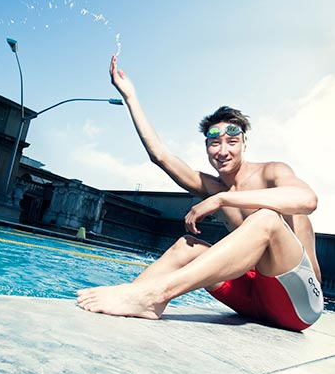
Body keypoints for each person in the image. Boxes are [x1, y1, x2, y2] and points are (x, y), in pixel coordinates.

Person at [76, 55, 324, 331]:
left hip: (299, 303)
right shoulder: (212, 185)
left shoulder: (272, 173)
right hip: (253, 299)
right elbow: (159, 155)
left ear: (244, 144)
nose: (223, 151)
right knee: (186, 246)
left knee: (266, 219)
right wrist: (131, 97)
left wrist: (222, 199)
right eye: (214, 143)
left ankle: (157, 294)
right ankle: (132, 298)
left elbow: (308, 200)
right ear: (207, 148)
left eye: (232, 142)